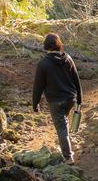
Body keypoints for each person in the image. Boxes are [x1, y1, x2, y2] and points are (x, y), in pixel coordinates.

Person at [32, 33, 83, 164]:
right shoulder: (68, 58)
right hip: (70, 98)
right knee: (63, 123)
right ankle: (67, 145)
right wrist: (79, 99)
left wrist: (35, 103)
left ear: (45, 46)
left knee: (61, 128)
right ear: (59, 44)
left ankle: (68, 157)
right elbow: (76, 79)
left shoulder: (43, 64)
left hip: (55, 101)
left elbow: (38, 86)